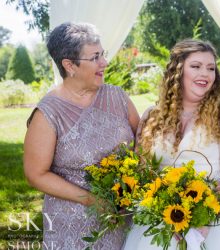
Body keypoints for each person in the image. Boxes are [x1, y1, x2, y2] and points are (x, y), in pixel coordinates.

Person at [123, 39, 220, 250]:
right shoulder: (152, 116)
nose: (205, 74)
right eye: (196, 66)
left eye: (211, 68)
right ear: (177, 72)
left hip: (213, 219)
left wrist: (202, 213)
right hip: (159, 217)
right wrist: (162, 205)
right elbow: (142, 170)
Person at [23, 22, 140, 249]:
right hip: (74, 223)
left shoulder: (118, 97)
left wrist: (131, 186)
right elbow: (35, 174)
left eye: (102, 54)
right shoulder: (48, 113)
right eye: (95, 57)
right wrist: (93, 200)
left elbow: (143, 142)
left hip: (125, 216)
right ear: (69, 65)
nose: (104, 63)